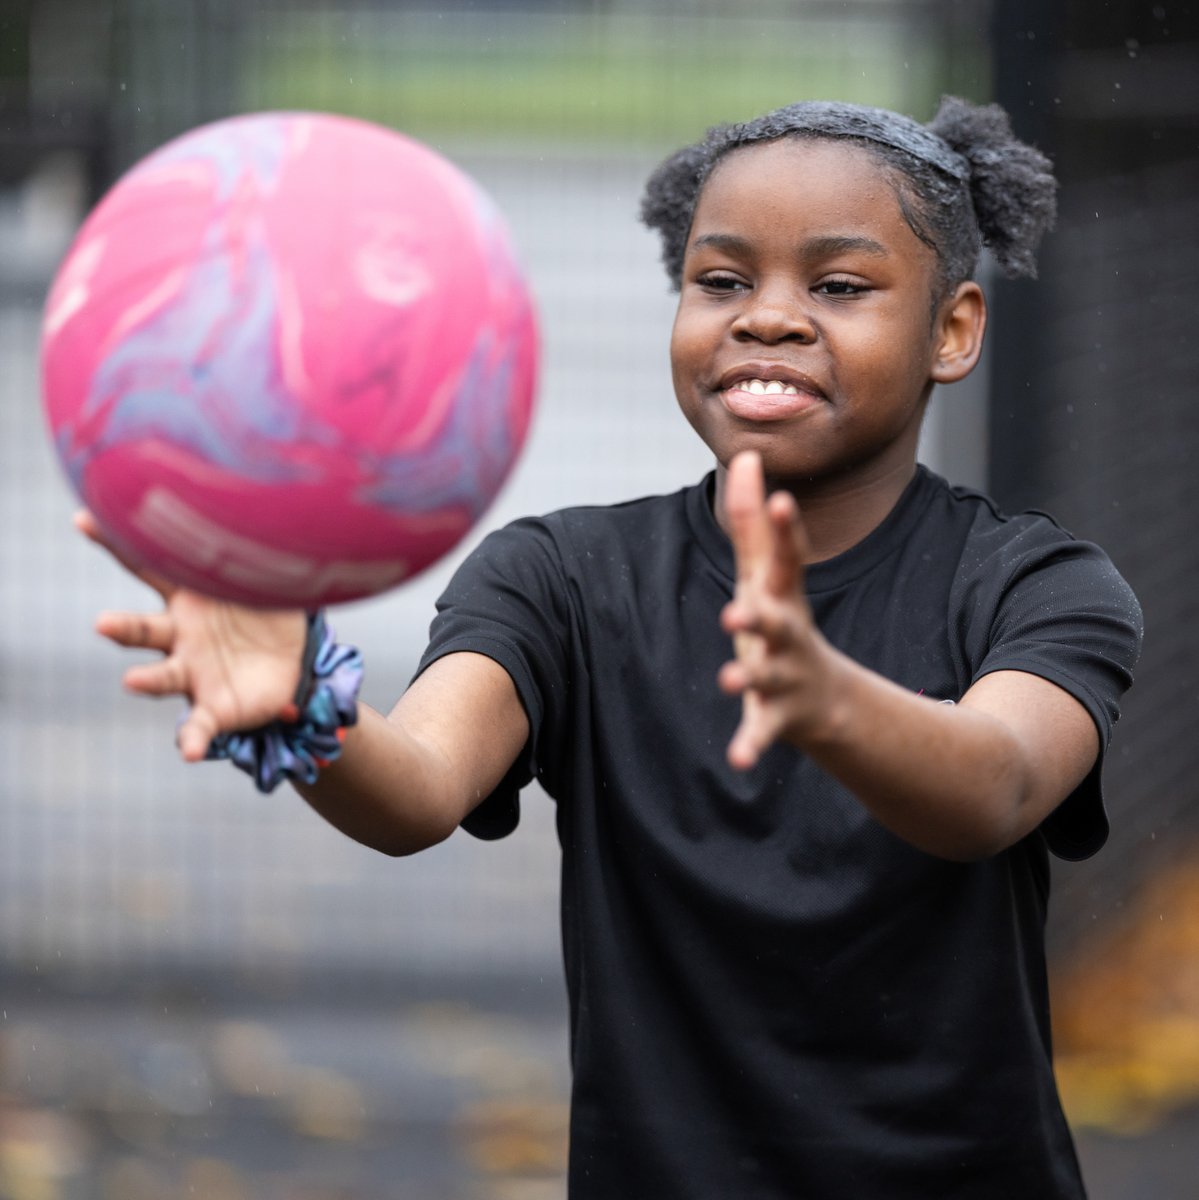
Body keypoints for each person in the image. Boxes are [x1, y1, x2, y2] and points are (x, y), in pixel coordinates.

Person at [80, 96, 1143, 1198]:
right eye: (721, 281)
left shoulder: (1038, 586)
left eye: (836, 285)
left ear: (951, 329)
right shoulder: (561, 577)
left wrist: (822, 696)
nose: (764, 318)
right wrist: (304, 702)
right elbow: (418, 792)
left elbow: (994, 786)